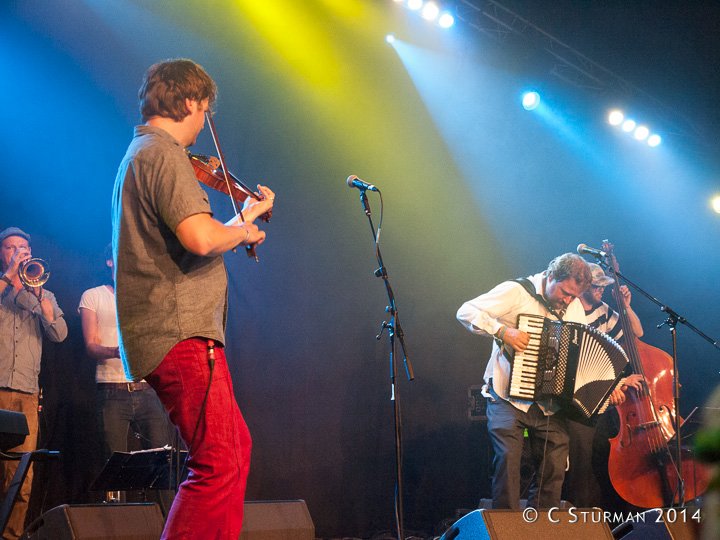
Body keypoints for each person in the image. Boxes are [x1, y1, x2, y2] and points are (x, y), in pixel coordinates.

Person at [111, 58, 274, 539]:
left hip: (172, 329)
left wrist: (239, 219)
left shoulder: (144, 153)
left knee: (233, 449)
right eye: (205, 109)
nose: (206, 122)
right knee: (219, 460)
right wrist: (245, 227)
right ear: (189, 101)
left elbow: (191, 236)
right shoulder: (163, 154)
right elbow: (201, 239)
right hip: (179, 330)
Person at [457, 253, 592, 509]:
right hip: (507, 397)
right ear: (550, 276)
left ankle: (541, 527)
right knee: (509, 459)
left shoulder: (573, 306)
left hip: (546, 403)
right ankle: (507, 529)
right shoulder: (517, 292)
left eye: (573, 296)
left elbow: (580, 353)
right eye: (565, 292)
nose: (568, 300)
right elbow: (466, 311)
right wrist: (502, 331)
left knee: (556, 457)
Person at [78, 244, 174, 508]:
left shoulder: (145, 295)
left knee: (162, 463)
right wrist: (118, 350)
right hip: (112, 392)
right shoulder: (93, 296)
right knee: (114, 463)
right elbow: (90, 346)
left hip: (146, 391)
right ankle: (118, 523)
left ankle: (170, 526)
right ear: (109, 261)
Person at [0, 227, 67, 540]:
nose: (18, 253)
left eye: (23, 248)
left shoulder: (45, 294)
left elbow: (59, 334)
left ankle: (10, 537)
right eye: (11, 248)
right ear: (3, 253)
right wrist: (9, 276)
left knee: (20, 478)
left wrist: (40, 297)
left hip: (26, 394)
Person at [563, 262, 643, 509]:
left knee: (603, 459)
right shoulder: (570, 310)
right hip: (578, 399)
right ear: (585, 285)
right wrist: (618, 382)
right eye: (596, 286)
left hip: (604, 398)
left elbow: (636, 334)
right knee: (583, 464)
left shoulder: (605, 311)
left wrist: (626, 307)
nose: (600, 291)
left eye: (602, 287)